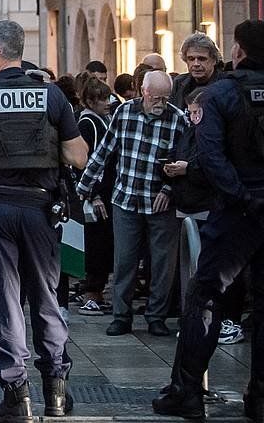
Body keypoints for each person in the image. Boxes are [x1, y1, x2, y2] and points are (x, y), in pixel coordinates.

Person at [0, 21, 89, 423]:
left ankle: (17, 397)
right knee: (47, 299)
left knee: (6, 303)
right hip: (41, 210)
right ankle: (57, 394)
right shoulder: (51, 96)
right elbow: (79, 157)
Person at [154, 21, 264, 419]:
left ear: (236, 51)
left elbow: (211, 157)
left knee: (205, 297)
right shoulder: (222, 92)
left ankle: (187, 392)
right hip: (250, 203)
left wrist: (242, 197)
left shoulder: (222, 94)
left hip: (236, 211)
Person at [76, 71, 186, 338]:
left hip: (159, 201)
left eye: (165, 97)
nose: (160, 102)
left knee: (162, 263)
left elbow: (184, 158)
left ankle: (156, 316)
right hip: (126, 197)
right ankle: (121, 316)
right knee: (124, 260)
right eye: (155, 97)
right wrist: (84, 186)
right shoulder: (125, 113)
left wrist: (169, 189)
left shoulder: (177, 119)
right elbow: (105, 150)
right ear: (143, 92)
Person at [74, 78, 115, 317]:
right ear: (90, 101)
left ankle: (95, 292)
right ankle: (92, 292)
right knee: (97, 243)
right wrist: (94, 193)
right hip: (96, 192)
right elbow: (86, 162)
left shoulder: (101, 119)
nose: (107, 103)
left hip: (103, 190)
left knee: (102, 242)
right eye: (101, 99)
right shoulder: (88, 123)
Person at [169, 33, 223, 110]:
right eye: (191, 59)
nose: (196, 64)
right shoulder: (178, 83)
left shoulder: (225, 85)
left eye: (202, 59)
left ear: (214, 60)